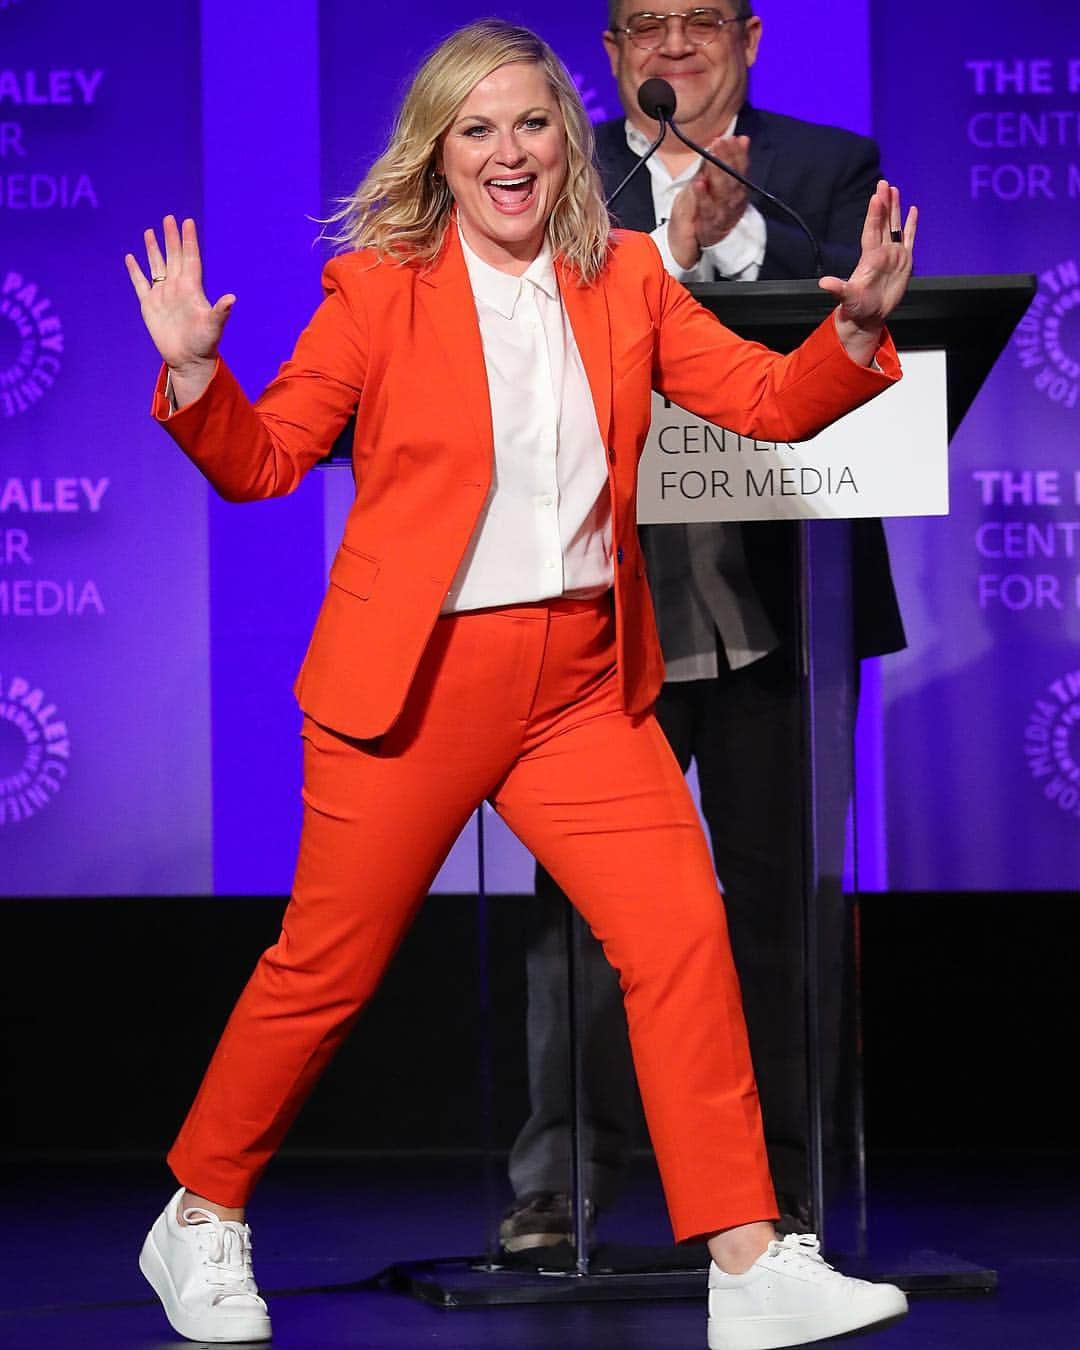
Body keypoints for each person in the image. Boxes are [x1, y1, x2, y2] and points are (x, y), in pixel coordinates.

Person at [125, 19, 916, 1349]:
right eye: (477, 130)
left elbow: (772, 402)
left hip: (576, 683)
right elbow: (264, 463)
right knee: (326, 966)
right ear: (440, 155)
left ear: (570, 139)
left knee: (677, 932)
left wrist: (855, 328)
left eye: (533, 125)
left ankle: (744, 1253)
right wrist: (198, 376)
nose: (510, 153)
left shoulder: (631, 285)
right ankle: (199, 1210)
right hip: (416, 684)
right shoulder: (378, 292)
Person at [501, 0, 907, 1254]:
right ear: (612, 54)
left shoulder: (824, 168)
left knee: (783, 907)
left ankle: (781, 1189)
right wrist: (670, 249)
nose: (671, 48)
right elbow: (539, 321)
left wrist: (719, 256)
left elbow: (853, 319)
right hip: (606, 609)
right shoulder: (561, 169)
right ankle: (562, 1183)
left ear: (749, 37)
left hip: (782, 602)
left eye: (698, 22)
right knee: (576, 917)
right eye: (643, 26)